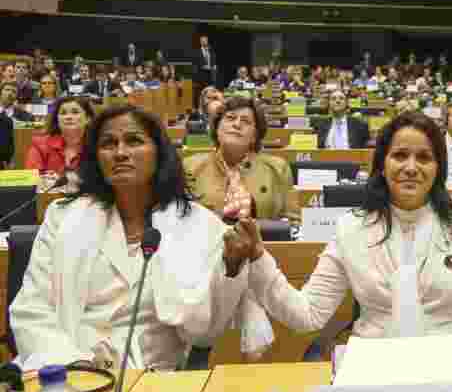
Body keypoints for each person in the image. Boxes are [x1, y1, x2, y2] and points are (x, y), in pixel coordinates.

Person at [227, 111, 452, 345]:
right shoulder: (350, 229)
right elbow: (307, 316)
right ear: (382, 164)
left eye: (424, 158)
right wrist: (258, 258)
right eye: (400, 155)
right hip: (373, 371)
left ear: (438, 168)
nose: (411, 167)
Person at [10, 104, 257, 369]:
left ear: (159, 153)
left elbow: (206, 333)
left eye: (134, 141)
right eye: (108, 143)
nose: (120, 153)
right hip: (66, 370)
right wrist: (71, 366)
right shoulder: (62, 217)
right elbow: (31, 310)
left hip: (153, 381)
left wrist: (231, 267)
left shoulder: (200, 225)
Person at [184, 96, 299, 225]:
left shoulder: (278, 168)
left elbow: (293, 224)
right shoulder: (190, 167)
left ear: (254, 136)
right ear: (216, 128)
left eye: (246, 121)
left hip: (262, 242)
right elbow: (180, 218)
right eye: (230, 118)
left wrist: (255, 211)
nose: (237, 124)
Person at [26, 95, 95, 178]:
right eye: (63, 113)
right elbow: (33, 179)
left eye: (75, 112)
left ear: (88, 118)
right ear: (57, 119)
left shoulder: (96, 145)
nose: (68, 117)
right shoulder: (39, 145)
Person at [193, 35, 217, 107]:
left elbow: (213, 61)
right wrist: (203, 66)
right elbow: (195, 64)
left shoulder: (211, 51)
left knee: (209, 92)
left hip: (210, 75)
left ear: (207, 41)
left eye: (205, 40)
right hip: (201, 75)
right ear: (200, 42)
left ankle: (209, 106)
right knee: (200, 93)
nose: (204, 42)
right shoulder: (197, 52)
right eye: (202, 40)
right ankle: (199, 107)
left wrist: (214, 66)